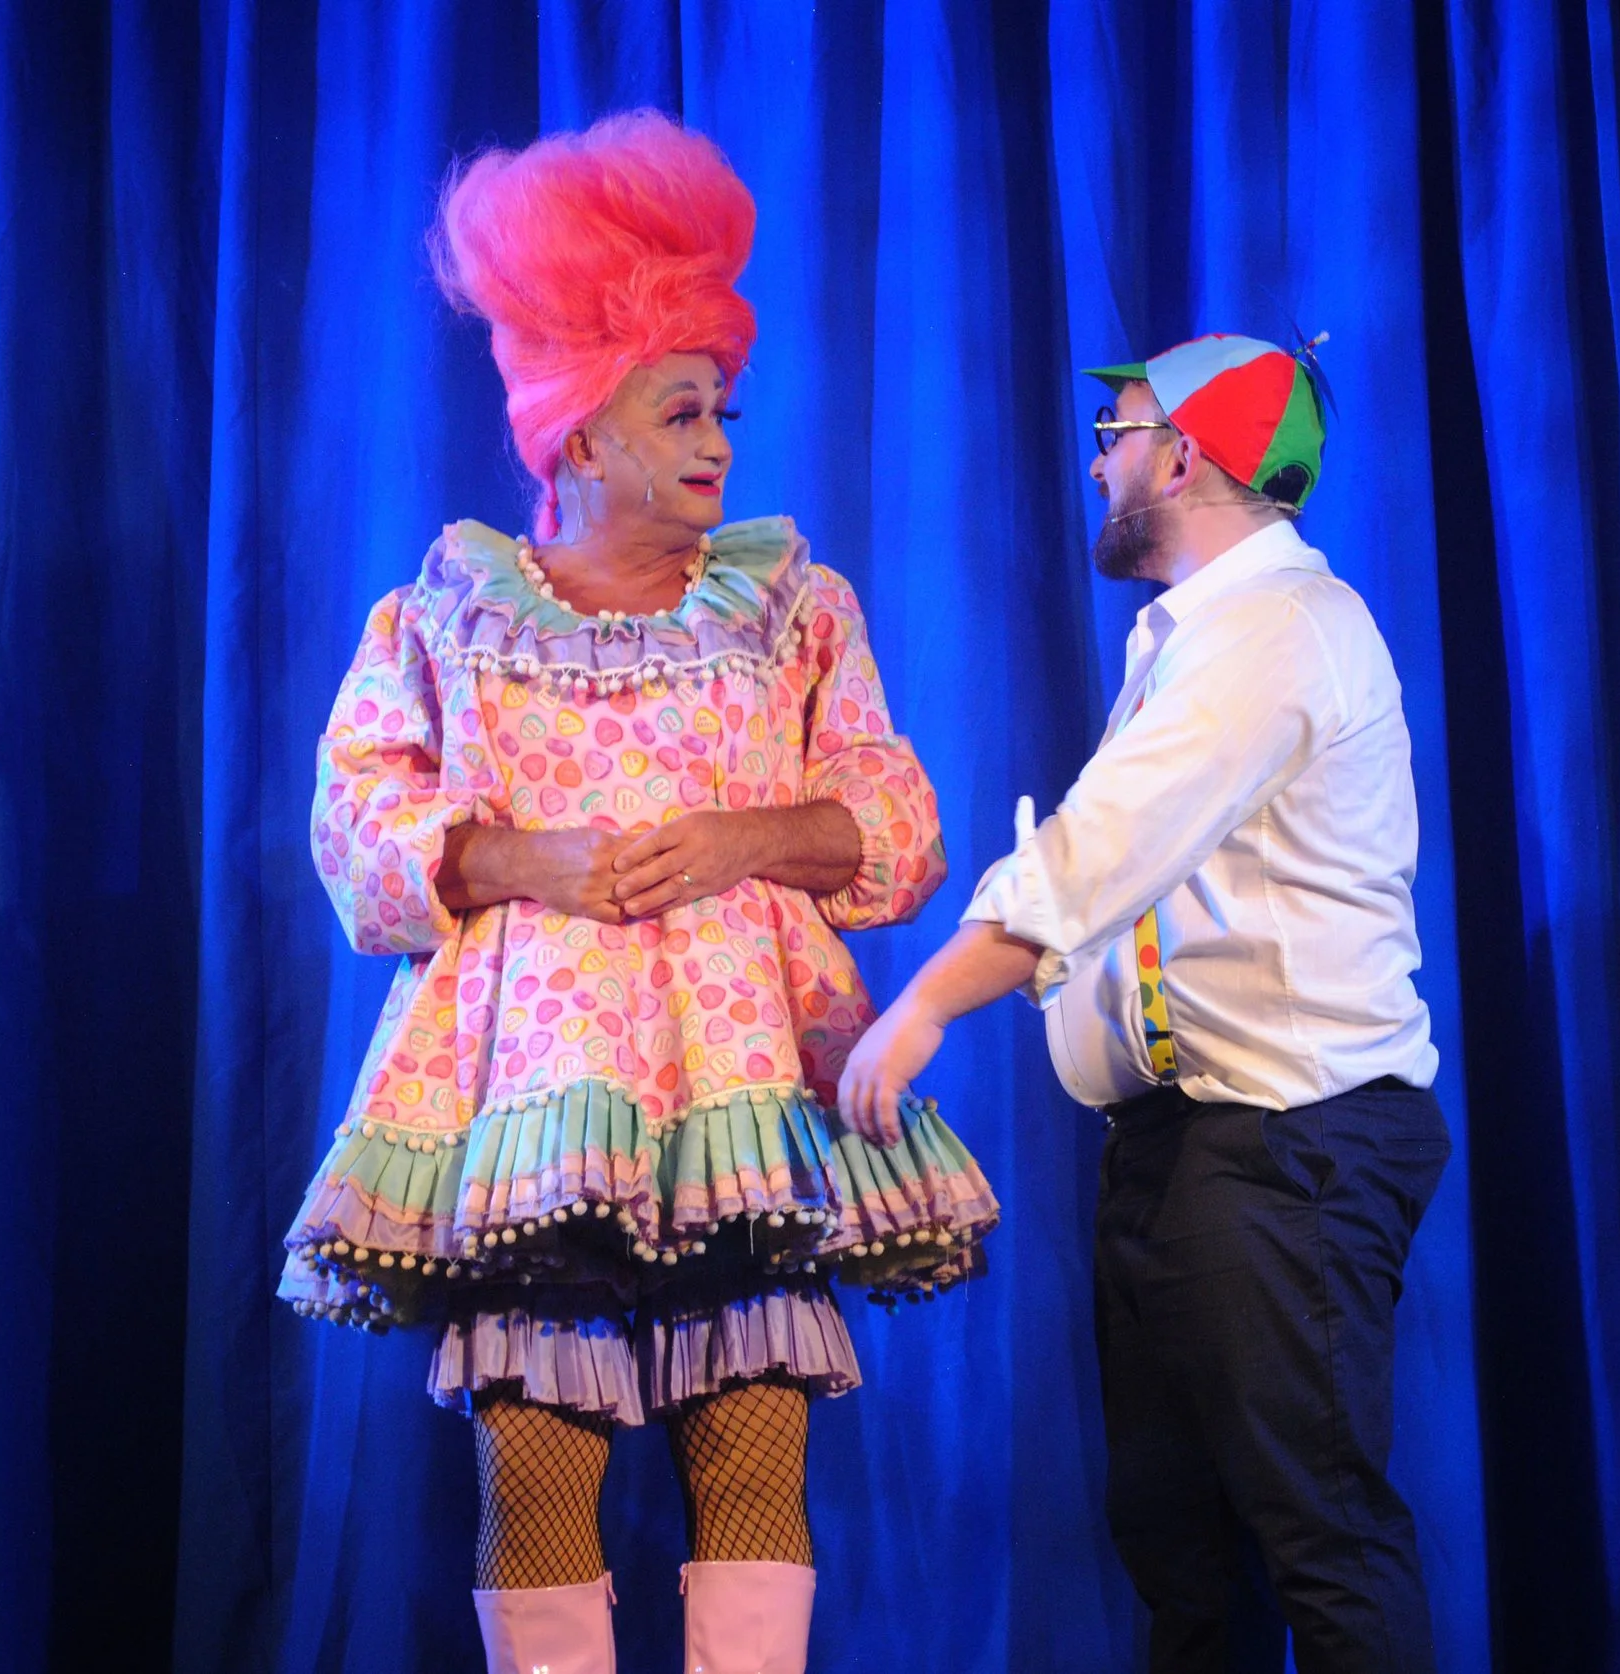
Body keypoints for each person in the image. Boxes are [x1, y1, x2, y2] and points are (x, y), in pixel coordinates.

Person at [276, 111, 996, 1674]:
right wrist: (512, 857)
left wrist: (746, 838)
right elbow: (353, 819)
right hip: (539, 1098)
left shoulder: (793, 606)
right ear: (580, 432)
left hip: (742, 1086)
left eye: (722, 408)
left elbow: (898, 820)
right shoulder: (447, 610)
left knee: (751, 1450)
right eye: (681, 410)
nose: (718, 441)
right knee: (537, 1464)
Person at [842, 334, 1448, 1674]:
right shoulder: (1194, 638)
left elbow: (1099, 850)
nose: (1099, 457)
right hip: (1188, 1147)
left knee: (1317, 1531)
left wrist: (927, 1003)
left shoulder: (1278, 629)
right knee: (1182, 1548)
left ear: (1181, 454)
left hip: (1290, 1140)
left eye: (1116, 431)